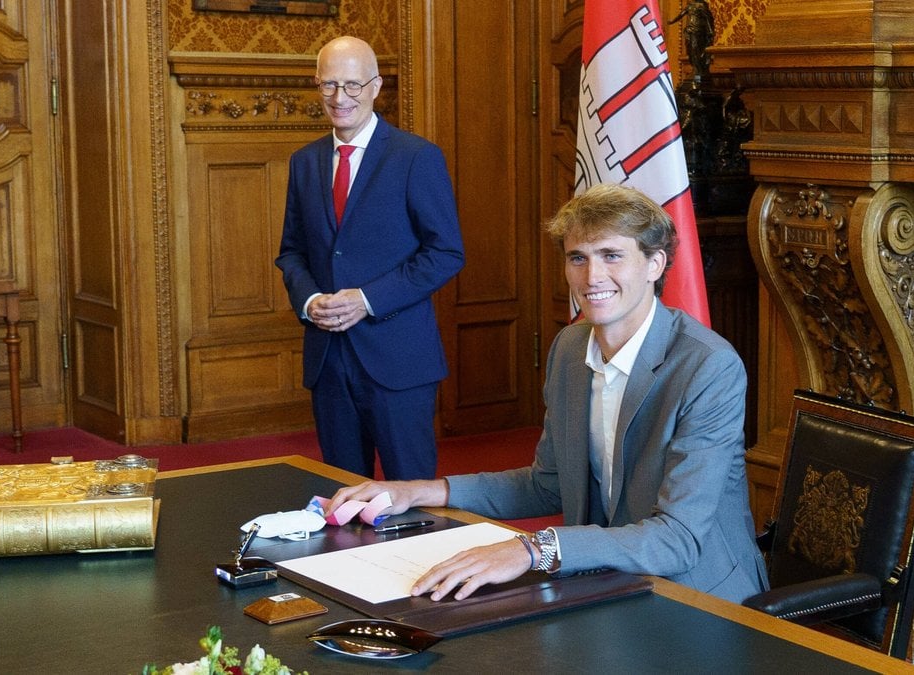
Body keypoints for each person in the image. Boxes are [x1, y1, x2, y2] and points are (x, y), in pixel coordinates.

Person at [326, 184, 767, 603]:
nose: (592, 276)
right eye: (578, 257)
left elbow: (678, 539)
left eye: (612, 255)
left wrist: (531, 550)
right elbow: (547, 486)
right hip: (608, 581)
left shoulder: (708, 366)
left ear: (654, 264)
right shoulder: (570, 349)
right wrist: (419, 492)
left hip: (699, 596)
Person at [275, 36, 465, 480]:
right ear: (316, 85)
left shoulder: (416, 157)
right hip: (328, 360)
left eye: (353, 85)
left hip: (398, 359)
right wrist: (308, 302)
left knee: (410, 497)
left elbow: (445, 252)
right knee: (343, 493)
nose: (341, 98)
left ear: (377, 87)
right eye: (329, 85)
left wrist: (367, 299)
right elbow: (292, 252)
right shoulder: (305, 162)